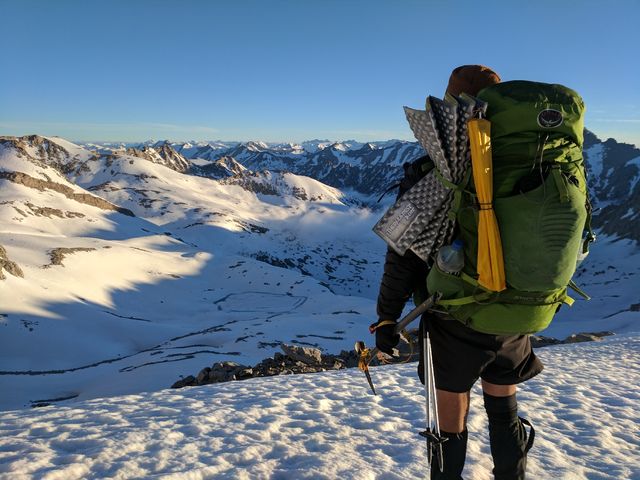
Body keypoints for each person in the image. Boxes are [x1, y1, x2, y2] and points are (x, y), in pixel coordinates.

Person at [372, 65, 543, 480]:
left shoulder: (440, 166)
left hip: (451, 312)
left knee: (450, 418)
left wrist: (388, 317)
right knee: (504, 410)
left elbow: (405, 251)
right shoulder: (533, 161)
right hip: (513, 308)